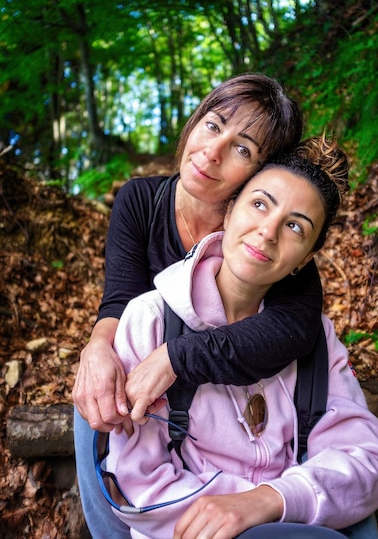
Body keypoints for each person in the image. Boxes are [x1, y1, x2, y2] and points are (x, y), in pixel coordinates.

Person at [98, 136, 378, 539]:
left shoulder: (316, 339)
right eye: (259, 204)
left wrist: (269, 500)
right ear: (229, 210)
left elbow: (368, 464)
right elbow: (140, 483)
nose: (268, 231)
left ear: (304, 259)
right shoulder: (150, 322)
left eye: (294, 226)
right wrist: (236, 513)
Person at [73, 74, 325, 537]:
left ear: (263, 172)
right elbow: (121, 300)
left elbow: (293, 330)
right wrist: (96, 349)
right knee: (96, 391)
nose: (213, 152)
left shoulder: (271, 242)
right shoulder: (141, 201)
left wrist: (177, 356)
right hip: (150, 386)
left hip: (230, 398)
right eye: (213, 125)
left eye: (243, 149)